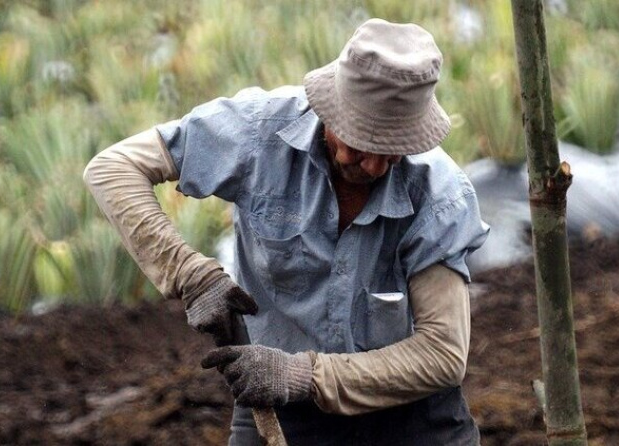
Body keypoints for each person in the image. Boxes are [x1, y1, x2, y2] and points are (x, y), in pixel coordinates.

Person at [84, 18, 489, 445]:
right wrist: (189, 273)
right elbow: (113, 169)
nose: (371, 166)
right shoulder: (257, 135)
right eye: (357, 144)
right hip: (277, 407)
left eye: (389, 152)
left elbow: (441, 355)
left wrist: (305, 375)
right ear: (329, 110)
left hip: (409, 413)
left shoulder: (439, 194)